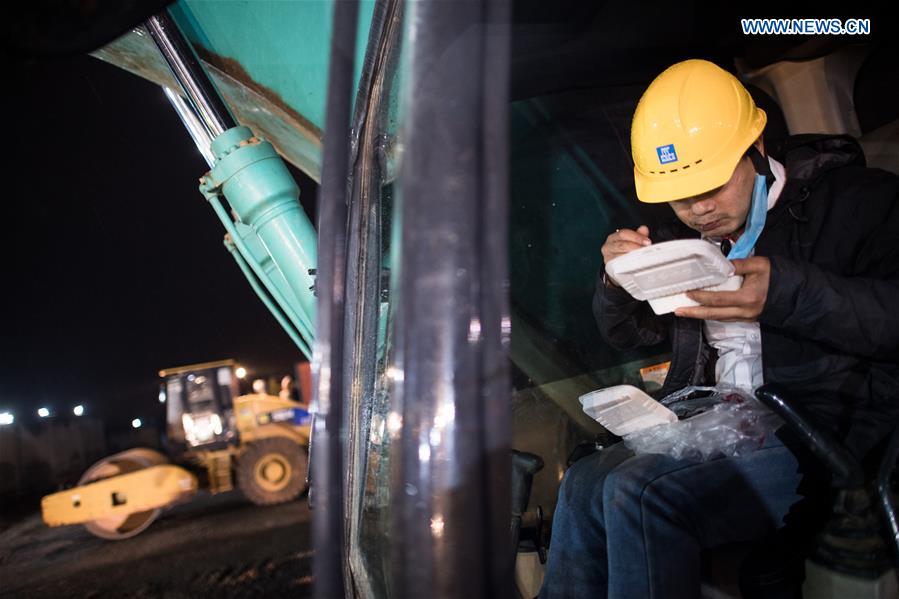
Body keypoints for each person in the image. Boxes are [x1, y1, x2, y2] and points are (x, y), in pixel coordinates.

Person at [539, 59, 899, 599]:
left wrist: (783, 295)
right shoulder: (680, 235)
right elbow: (632, 336)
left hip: (822, 434)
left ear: (756, 147)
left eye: (711, 185)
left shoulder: (859, 204)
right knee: (586, 483)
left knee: (642, 493)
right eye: (680, 196)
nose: (699, 208)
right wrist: (615, 284)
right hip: (716, 420)